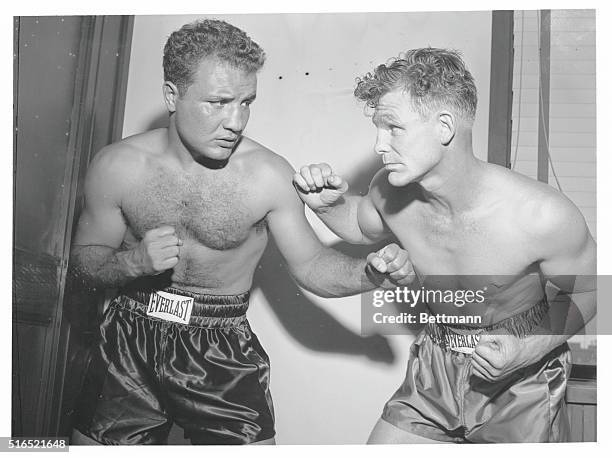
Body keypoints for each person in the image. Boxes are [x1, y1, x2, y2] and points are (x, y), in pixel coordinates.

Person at [69, 19, 414, 446]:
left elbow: (310, 265)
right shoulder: (117, 166)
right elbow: (82, 263)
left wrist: (370, 274)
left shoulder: (267, 176)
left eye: (247, 102)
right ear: (172, 95)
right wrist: (130, 262)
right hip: (129, 334)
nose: (236, 121)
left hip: (220, 347)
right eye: (219, 102)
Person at [293, 48, 596, 443]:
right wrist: (328, 206)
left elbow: (594, 291)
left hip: (521, 374)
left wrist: (527, 348)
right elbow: (359, 225)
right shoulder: (389, 193)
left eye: (393, 128)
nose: (379, 146)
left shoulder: (540, 215)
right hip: (437, 360)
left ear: (444, 127)